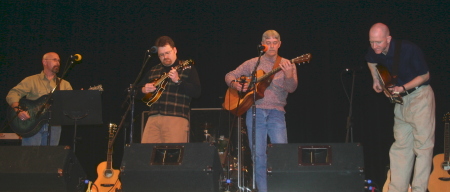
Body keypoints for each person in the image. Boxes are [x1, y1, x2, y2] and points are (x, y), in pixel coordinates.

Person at [224, 30, 298, 192]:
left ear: (280, 44)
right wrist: (235, 84)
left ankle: (281, 189)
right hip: (255, 111)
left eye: (274, 42)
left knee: (281, 154)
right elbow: (229, 75)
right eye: (268, 42)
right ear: (263, 44)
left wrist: (289, 75)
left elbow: (291, 88)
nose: (271, 46)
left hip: (277, 113)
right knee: (258, 156)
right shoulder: (253, 63)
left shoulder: (287, 63)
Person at [366, 23, 435, 192]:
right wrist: (376, 79)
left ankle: (419, 189)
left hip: (420, 97)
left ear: (388, 39)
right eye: (371, 42)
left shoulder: (409, 49)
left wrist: (403, 88)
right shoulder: (374, 50)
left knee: (423, 147)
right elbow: (370, 60)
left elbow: (425, 75)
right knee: (400, 148)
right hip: (401, 102)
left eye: (379, 42)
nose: (374, 46)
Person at [140, 36, 201, 143]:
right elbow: (135, 92)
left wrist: (178, 81)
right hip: (153, 118)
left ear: (175, 50)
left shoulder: (187, 68)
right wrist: (144, 89)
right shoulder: (154, 70)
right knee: (147, 155)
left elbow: (196, 92)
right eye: (161, 55)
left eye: (168, 53)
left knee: (173, 156)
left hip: (176, 117)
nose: (165, 57)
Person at [6, 52, 73, 146]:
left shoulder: (65, 84)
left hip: (54, 126)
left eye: (59, 60)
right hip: (32, 124)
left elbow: (70, 104)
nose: (58, 63)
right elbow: (12, 93)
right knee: (31, 156)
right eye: (54, 60)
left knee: (49, 157)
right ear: (44, 62)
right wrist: (18, 110)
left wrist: (78, 98)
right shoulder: (31, 80)